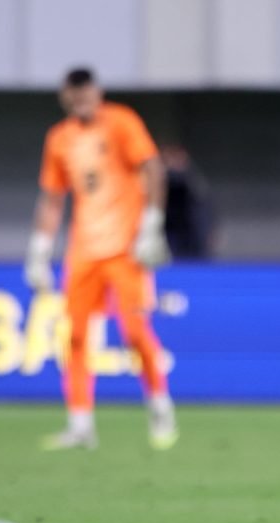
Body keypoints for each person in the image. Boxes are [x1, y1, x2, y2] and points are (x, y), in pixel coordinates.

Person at [24, 67, 178, 451]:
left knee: (134, 332)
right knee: (75, 336)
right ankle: (80, 424)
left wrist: (151, 226)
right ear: (65, 97)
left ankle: (160, 404)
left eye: (86, 94)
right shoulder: (59, 139)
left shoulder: (121, 122)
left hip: (126, 251)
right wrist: (39, 252)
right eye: (74, 96)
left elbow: (152, 167)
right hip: (84, 252)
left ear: (98, 92)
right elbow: (52, 197)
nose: (81, 102)